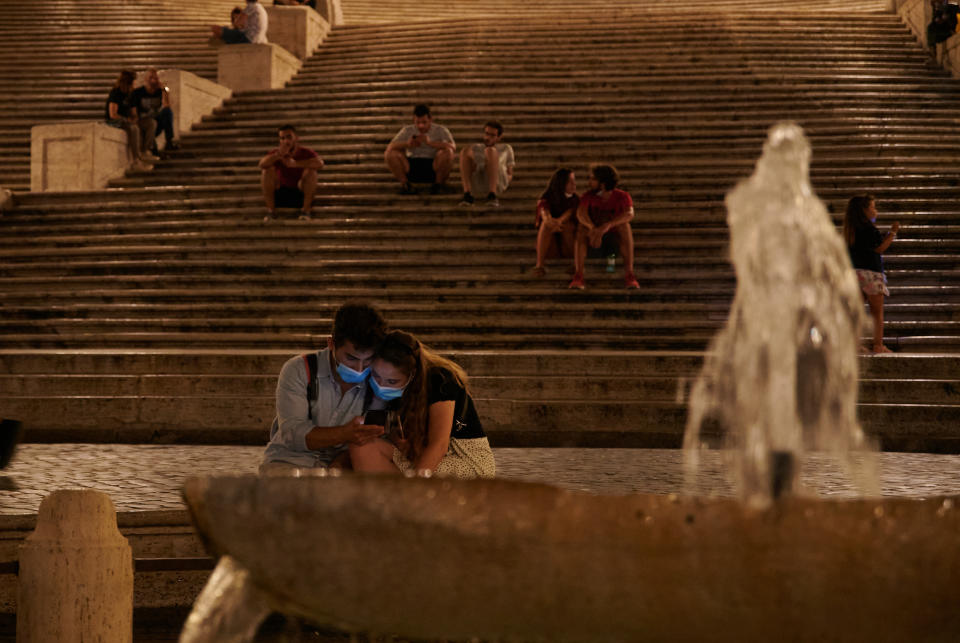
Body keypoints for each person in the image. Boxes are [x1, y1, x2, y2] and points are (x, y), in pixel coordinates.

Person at [260, 302, 389, 473]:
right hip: (290, 461)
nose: (359, 369)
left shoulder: (379, 379)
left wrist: (340, 463)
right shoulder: (300, 370)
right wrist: (344, 433)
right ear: (331, 344)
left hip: (344, 465)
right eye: (351, 358)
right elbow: (293, 434)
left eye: (367, 361)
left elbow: (371, 439)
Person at [348, 330, 496, 479]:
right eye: (376, 376)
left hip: (462, 457)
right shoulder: (381, 386)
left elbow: (439, 445)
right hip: (417, 453)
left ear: (412, 374)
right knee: (361, 447)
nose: (381, 385)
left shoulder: (440, 379)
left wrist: (416, 487)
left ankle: (410, 497)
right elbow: (376, 432)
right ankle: (397, 497)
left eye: (392, 382)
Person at [843, 194, 901, 354]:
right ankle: (878, 345)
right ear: (864, 211)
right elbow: (879, 248)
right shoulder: (869, 229)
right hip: (871, 274)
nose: (875, 210)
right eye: (873, 207)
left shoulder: (850, 230)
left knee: (856, 312)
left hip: (855, 273)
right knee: (877, 313)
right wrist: (893, 233)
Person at [568, 164, 639, 290]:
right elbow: (581, 214)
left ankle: (629, 274)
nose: (589, 182)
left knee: (624, 226)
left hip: (612, 242)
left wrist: (608, 226)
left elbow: (629, 213)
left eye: (592, 179)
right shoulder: (588, 196)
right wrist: (593, 229)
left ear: (602, 183)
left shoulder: (622, 196)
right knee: (581, 229)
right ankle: (578, 275)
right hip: (592, 239)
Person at [384, 104, 456, 194]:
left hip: (433, 165)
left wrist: (430, 143)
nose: (421, 126)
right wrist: (407, 144)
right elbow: (390, 147)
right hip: (411, 164)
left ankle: (438, 185)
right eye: (417, 123)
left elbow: (452, 147)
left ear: (430, 119)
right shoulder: (407, 130)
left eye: (424, 122)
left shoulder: (440, 130)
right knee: (390, 154)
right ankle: (406, 185)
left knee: (448, 152)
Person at [259, 124, 324, 220]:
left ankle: (306, 211)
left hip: (300, 193)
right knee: (266, 172)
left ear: (296, 138)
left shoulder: (306, 152)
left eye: (289, 137)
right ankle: (271, 211)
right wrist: (278, 155)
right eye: (282, 138)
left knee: (312, 172)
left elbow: (320, 163)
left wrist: (295, 164)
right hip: (281, 193)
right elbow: (262, 164)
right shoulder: (276, 153)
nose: (286, 141)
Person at [104, 70, 158, 172]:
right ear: (128, 82)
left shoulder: (130, 93)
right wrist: (127, 120)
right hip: (115, 121)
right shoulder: (116, 93)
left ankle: (145, 151)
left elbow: (133, 111)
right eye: (134, 81)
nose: (135, 84)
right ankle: (136, 161)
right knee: (134, 129)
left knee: (151, 123)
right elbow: (112, 114)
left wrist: (135, 117)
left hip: (126, 120)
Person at [532, 168, 578, 277]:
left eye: (574, 181)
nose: (574, 184)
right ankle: (539, 265)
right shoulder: (547, 199)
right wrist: (550, 222)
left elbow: (569, 214)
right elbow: (544, 213)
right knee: (546, 225)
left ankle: (576, 263)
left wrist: (558, 222)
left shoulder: (576, 200)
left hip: (568, 247)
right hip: (552, 247)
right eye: (570, 182)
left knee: (567, 226)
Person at [458, 121, 514, 208]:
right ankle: (467, 194)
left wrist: (507, 180)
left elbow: (510, 171)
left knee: (490, 150)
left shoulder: (506, 148)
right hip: (479, 178)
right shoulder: (476, 147)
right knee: (465, 151)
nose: (488, 138)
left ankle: (492, 194)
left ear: (499, 137)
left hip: (497, 180)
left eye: (492, 135)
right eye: (487, 134)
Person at [129, 68, 179, 158]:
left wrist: (164, 90)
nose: (153, 80)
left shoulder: (159, 91)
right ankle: (152, 151)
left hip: (155, 120)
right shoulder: (137, 93)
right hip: (144, 122)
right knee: (151, 123)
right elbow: (134, 112)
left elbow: (166, 105)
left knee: (167, 112)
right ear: (146, 79)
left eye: (155, 78)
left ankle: (169, 142)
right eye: (150, 78)